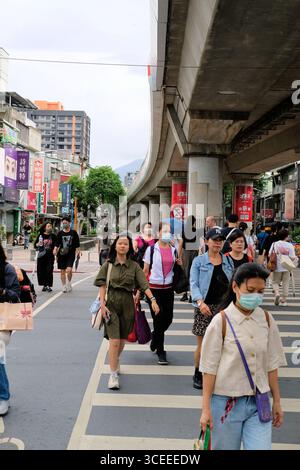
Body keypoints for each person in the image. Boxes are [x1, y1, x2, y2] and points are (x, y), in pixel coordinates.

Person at [200, 263, 286, 450]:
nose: (256, 296)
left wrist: (277, 401)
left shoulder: (267, 320)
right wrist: (206, 409)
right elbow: (209, 369)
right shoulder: (220, 322)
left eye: (261, 291)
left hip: (259, 403)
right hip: (225, 404)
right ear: (235, 287)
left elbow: (272, 364)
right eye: (250, 290)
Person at [94, 233, 159, 390]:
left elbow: (144, 284)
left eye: (125, 244)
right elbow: (102, 285)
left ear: (130, 247)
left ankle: (115, 360)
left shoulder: (134, 266)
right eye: (120, 243)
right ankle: (113, 375)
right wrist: (102, 305)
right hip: (111, 304)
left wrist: (153, 300)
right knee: (114, 341)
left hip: (128, 305)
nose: (122, 246)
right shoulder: (108, 265)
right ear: (115, 246)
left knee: (122, 340)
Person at [190, 228, 234, 389]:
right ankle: (198, 373)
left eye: (220, 240)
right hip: (205, 307)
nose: (218, 243)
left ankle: (218, 374)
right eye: (214, 239)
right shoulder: (199, 261)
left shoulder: (228, 261)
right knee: (203, 344)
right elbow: (193, 284)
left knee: (223, 344)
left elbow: (232, 284)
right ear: (207, 241)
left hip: (224, 309)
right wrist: (200, 303)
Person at [143, 222, 179, 365]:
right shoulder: (151, 250)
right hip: (154, 289)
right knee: (158, 319)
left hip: (168, 289)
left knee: (168, 318)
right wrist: (141, 292)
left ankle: (155, 337)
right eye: (164, 231)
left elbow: (175, 268)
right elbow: (145, 272)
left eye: (169, 232)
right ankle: (161, 351)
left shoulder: (173, 249)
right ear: (158, 233)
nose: (167, 234)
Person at [0, 241, 21, 416]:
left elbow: (16, 295)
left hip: (2, 322)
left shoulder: (6, 269)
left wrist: (3, 292)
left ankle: (3, 397)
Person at [269, 229, 297, 307]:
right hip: (287, 267)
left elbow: (269, 254)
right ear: (286, 236)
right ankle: (284, 300)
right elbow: (292, 257)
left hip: (277, 267)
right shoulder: (290, 245)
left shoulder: (274, 244)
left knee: (275, 282)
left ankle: (277, 293)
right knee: (285, 283)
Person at [53, 217, 80, 293]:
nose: (64, 224)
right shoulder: (60, 233)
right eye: (63, 223)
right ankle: (64, 286)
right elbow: (57, 243)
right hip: (61, 254)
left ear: (69, 223)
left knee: (69, 270)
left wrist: (78, 252)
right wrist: (55, 249)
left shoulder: (73, 233)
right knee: (62, 271)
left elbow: (77, 244)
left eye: (66, 223)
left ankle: (69, 282)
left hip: (71, 254)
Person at [180, 215, 199, 302]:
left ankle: (185, 294)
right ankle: (192, 295)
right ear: (194, 222)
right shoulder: (196, 231)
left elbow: (181, 243)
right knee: (193, 273)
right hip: (194, 251)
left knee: (185, 272)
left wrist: (179, 255)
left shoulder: (184, 231)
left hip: (186, 252)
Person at [34, 222, 57, 292]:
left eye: (50, 226)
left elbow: (56, 244)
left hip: (50, 256)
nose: (50, 227)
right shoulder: (40, 236)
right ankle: (44, 285)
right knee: (41, 271)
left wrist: (55, 250)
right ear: (44, 228)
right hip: (41, 256)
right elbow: (35, 245)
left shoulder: (53, 236)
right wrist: (38, 244)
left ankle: (48, 285)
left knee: (49, 270)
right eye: (48, 226)